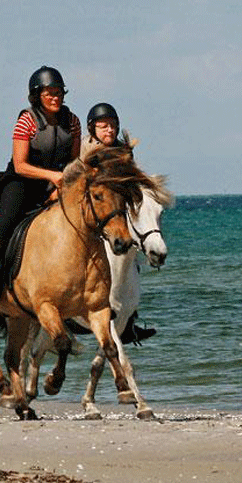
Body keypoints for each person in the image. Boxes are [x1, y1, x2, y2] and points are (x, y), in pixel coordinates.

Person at [0, 66, 81, 314]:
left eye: (59, 93)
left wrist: (63, 186)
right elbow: (21, 165)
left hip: (57, 184)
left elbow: (74, 163)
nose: (56, 98)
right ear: (37, 96)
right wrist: (53, 177)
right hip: (21, 182)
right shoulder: (26, 121)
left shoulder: (73, 122)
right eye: (49, 93)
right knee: (6, 222)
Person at [82, 102, 156, 344]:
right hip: (91, 211)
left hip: (116, 212)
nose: (109, 130)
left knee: (131, 257)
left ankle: (129, 320)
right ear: (93, 128)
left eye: (112, 125)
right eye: (103, 126)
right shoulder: (85, 149)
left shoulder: (123, 151)